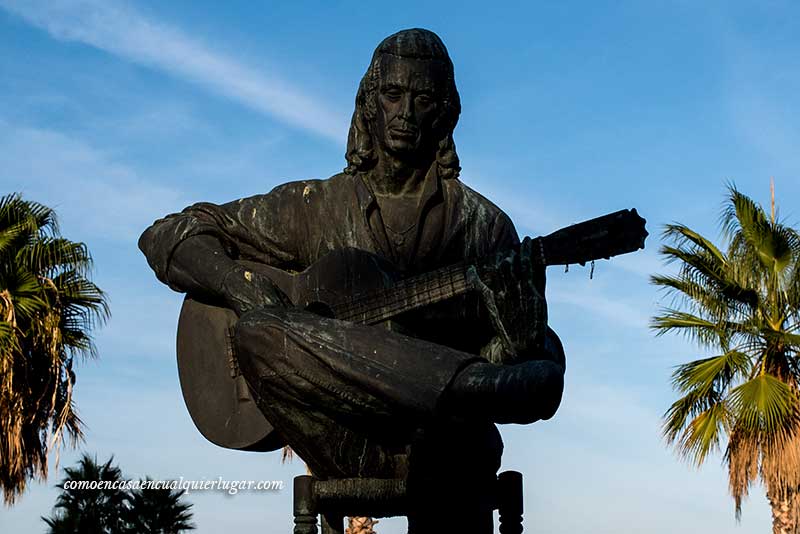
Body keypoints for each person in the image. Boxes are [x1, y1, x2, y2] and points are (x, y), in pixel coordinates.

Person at [139, 28, 565, 533]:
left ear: (445, 112)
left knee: (543, 368)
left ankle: (463, 390)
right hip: (348, 442)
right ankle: (465, 385)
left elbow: (526, 374)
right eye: (392, 95)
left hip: (450, 448)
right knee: (257, 332)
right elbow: (167, 234)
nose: (406, 112)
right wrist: (238, 284)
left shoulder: (487, 228)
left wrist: (517, 341)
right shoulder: (314, 208)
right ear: (369, 104)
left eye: (423, 98)